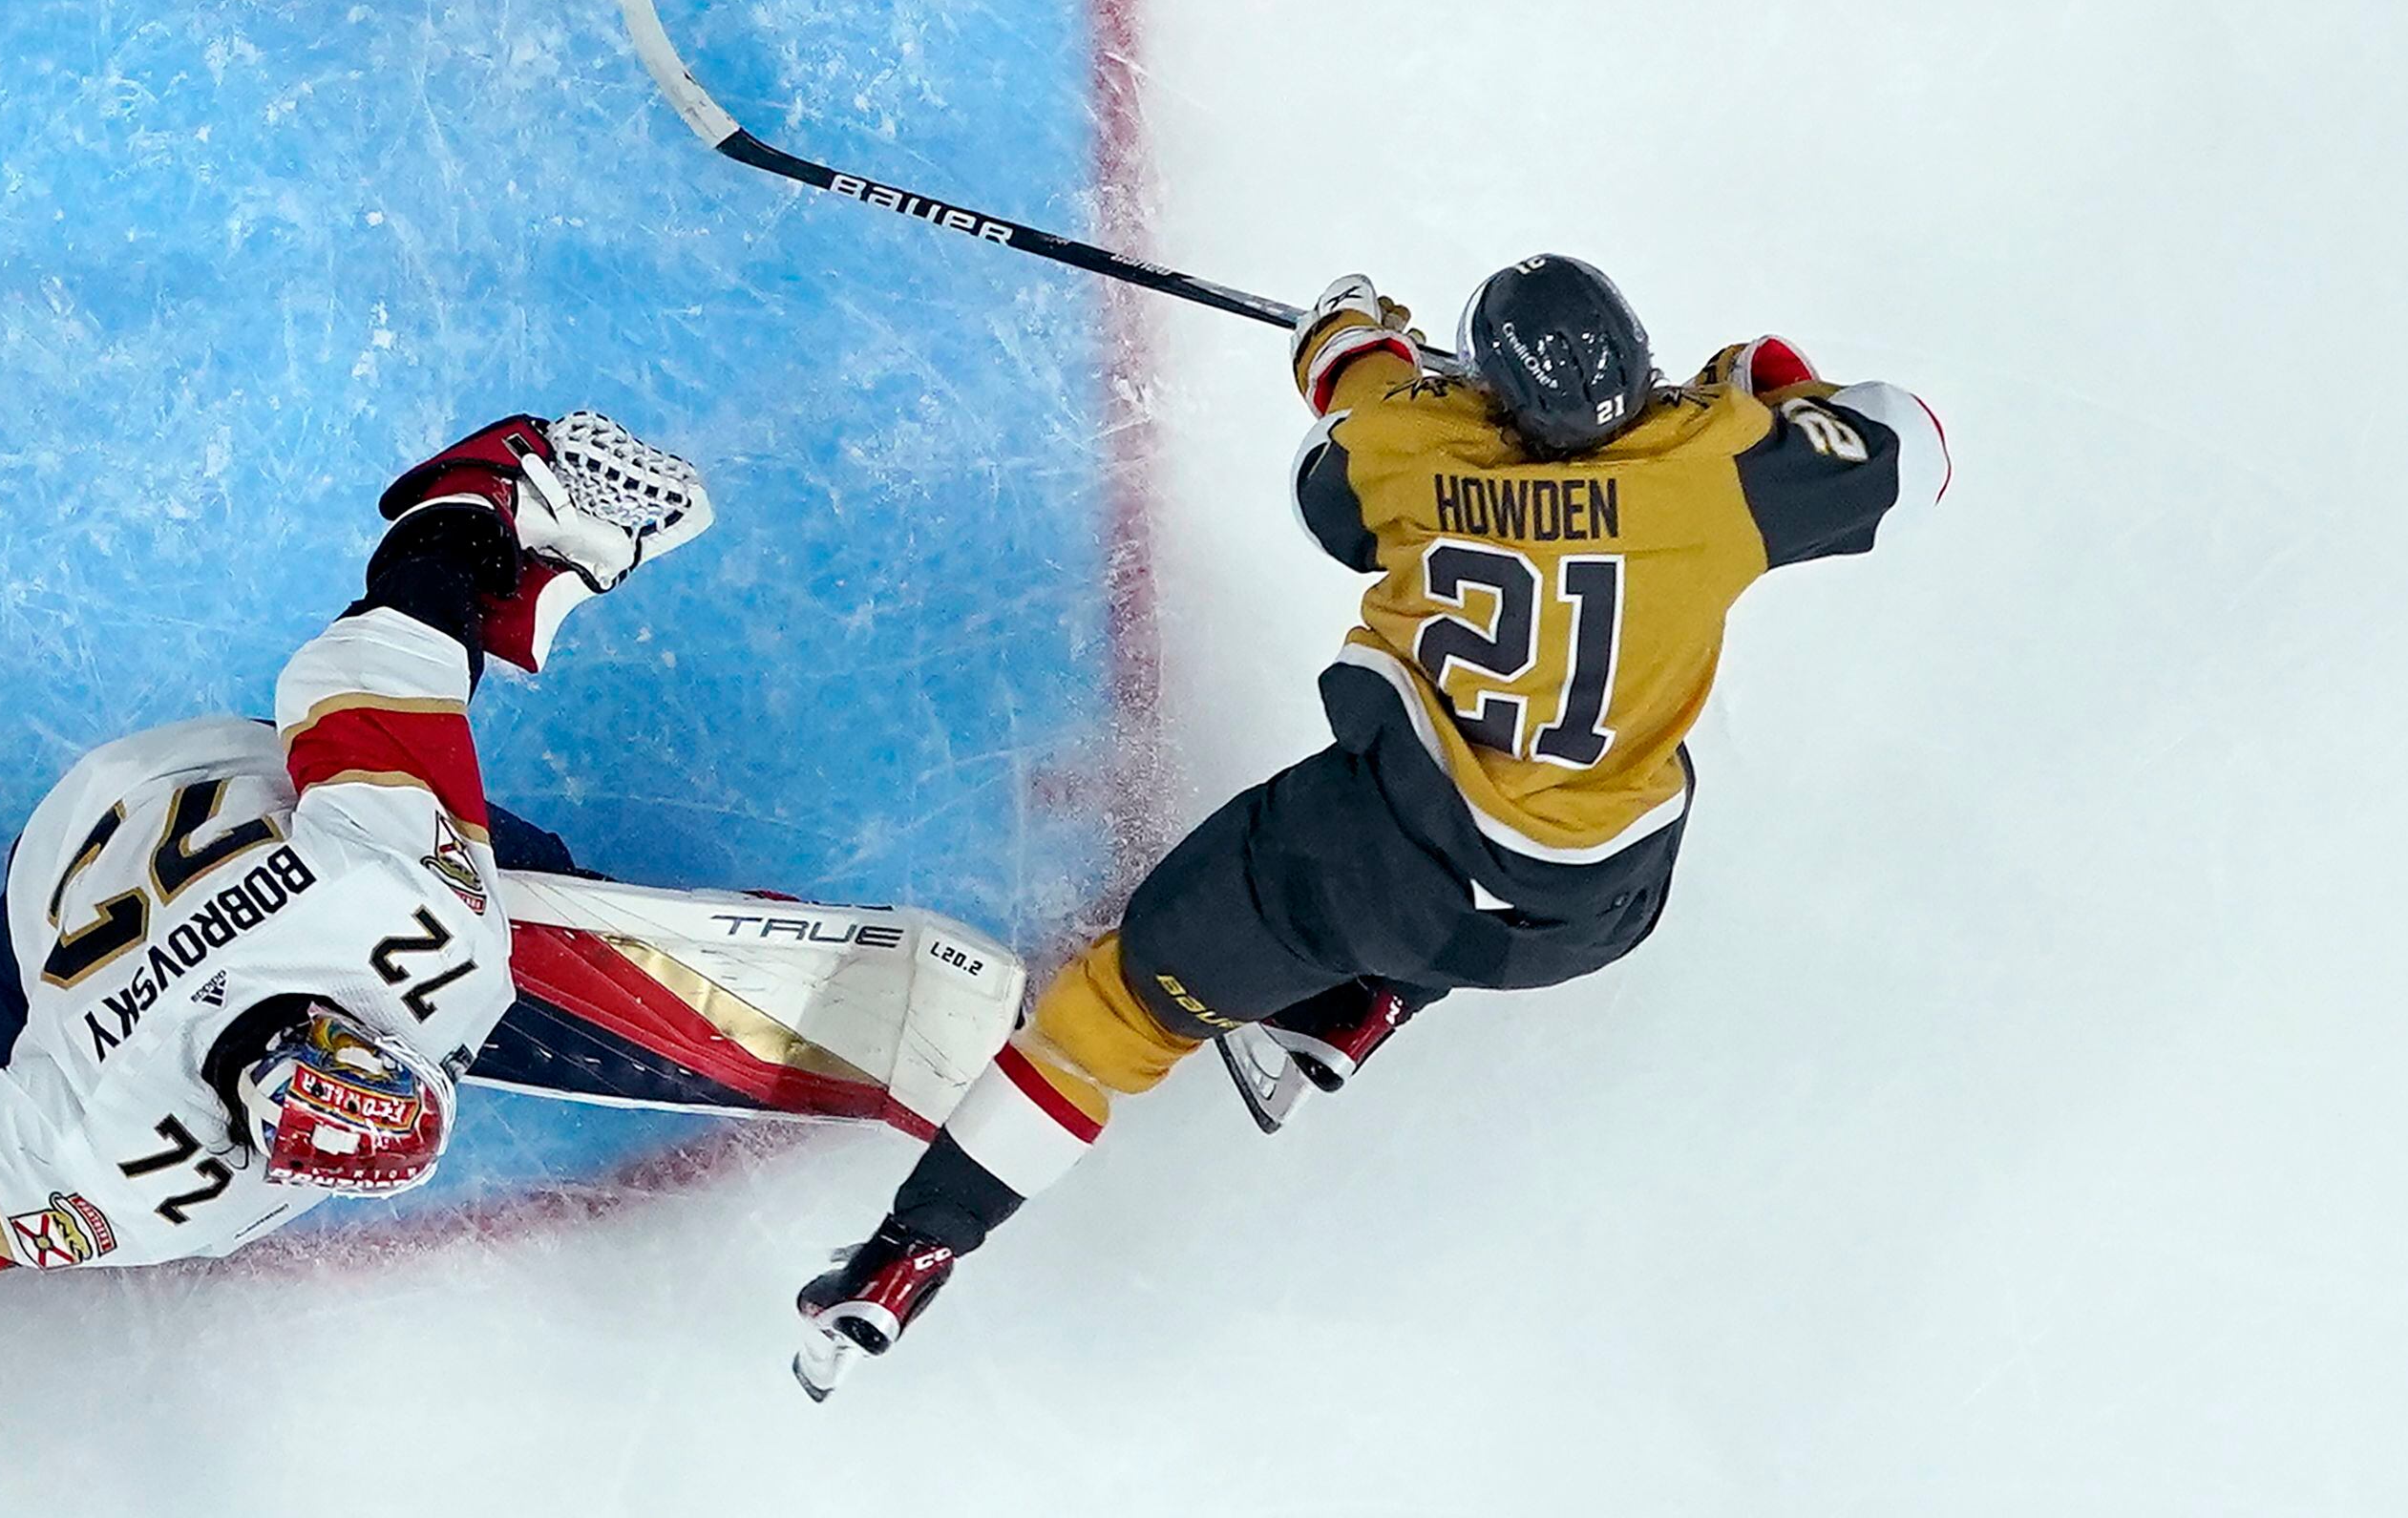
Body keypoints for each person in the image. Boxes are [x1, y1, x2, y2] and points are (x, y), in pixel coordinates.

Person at [791, 256, 1950, 1400]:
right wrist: (1770, 383)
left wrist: (1357, 336)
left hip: (1369, 876)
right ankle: (1360, 1006)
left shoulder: (1413, 445)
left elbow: (1330, 459)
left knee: (1117, 1012)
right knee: (1599, 779)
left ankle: (913, 1256)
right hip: (1589, 912)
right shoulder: (1722, 471)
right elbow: (1915, 442)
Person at [0, 410, 709, 1518]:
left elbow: (391, 635)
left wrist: (476, 514)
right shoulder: (107, 1132)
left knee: (432, 798)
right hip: (65, 898)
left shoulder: (383, 913)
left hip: (186, 801)